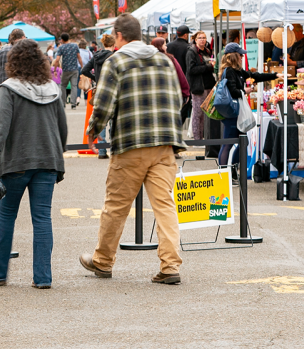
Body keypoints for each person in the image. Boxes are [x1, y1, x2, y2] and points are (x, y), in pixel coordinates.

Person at [79, 14, 185, 285]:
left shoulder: (117, 61)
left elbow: (103, 102)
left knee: (116, 206)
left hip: (130, 143)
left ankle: (103, 261)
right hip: (164, 144)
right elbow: (178, 99)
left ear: (118, 35)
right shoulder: (164, 59)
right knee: (165, 206)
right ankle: (171, 265)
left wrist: (93, 130)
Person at [0, 39, 67, 288]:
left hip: (16, 161)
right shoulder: (52, 87)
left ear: (13, 61)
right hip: (48, 160)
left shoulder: (9, 89)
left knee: (6, 216)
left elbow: (1, 128)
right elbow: (62, 128)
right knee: (42, 218)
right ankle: (43, 277)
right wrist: (57, 157)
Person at [218, 44, 278, 165]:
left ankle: (233, 170)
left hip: (236, 112)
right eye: (240, 55)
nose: (242, 57)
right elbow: (232, 92)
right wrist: (245, 91)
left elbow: (254, 76)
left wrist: (275, 75)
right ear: (234, 56)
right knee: (228, 144)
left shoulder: (237, 71)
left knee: (243, 143)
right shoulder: (229, 71)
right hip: (232, 113)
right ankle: (223, 174)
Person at [80, 33, 116, 158]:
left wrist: (95, 78)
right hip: (112, 90)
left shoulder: (96, 56)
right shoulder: (114, 56)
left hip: (100, 90)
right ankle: (113, 149)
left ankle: (102, 151)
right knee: (113, 120)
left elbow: (84, 70)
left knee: (101, 119)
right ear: (113, 44)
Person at [186, 31, 216, 141]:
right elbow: (191, 70)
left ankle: (202, 137)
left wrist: (212, 66)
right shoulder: (192, 52)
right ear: (195, 40)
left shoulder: (207, 51)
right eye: (200, 38)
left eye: (204, 38)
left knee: (205, 114)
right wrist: (208, 67)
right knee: (197, 114)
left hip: (208, 85)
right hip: (198, 86)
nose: (202, 40)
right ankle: (197, 140)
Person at [0, 29, 25, 100]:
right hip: (21, 92)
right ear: (22, 37)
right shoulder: (25, 51)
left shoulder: (1, 52)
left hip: (4, 91)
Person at [54, 33, 82, 108]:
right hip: (74, 69)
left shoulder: (61, 47)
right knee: (74, 86)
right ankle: (73, 103)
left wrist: (55, 70)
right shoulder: (75, 46)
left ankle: (63, 103)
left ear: (62, 39)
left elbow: (57, 60)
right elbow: (79, 57)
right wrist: (82, 67)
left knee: (63, 86)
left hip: (66, 69)